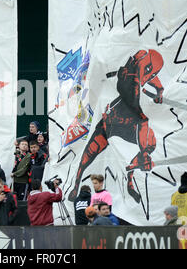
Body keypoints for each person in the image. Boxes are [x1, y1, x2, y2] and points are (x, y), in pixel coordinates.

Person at [68, 49, 164, 203]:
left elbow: (151, 77)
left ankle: (131, 179)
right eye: (150, 72)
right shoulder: (130, 76)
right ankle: (76, 184)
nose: (150, 76)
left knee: (150, 141)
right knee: (89, 152)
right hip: (113, 120)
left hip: (125, 123)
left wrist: (159, 91)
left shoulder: (139, 72)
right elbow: (138, 113)